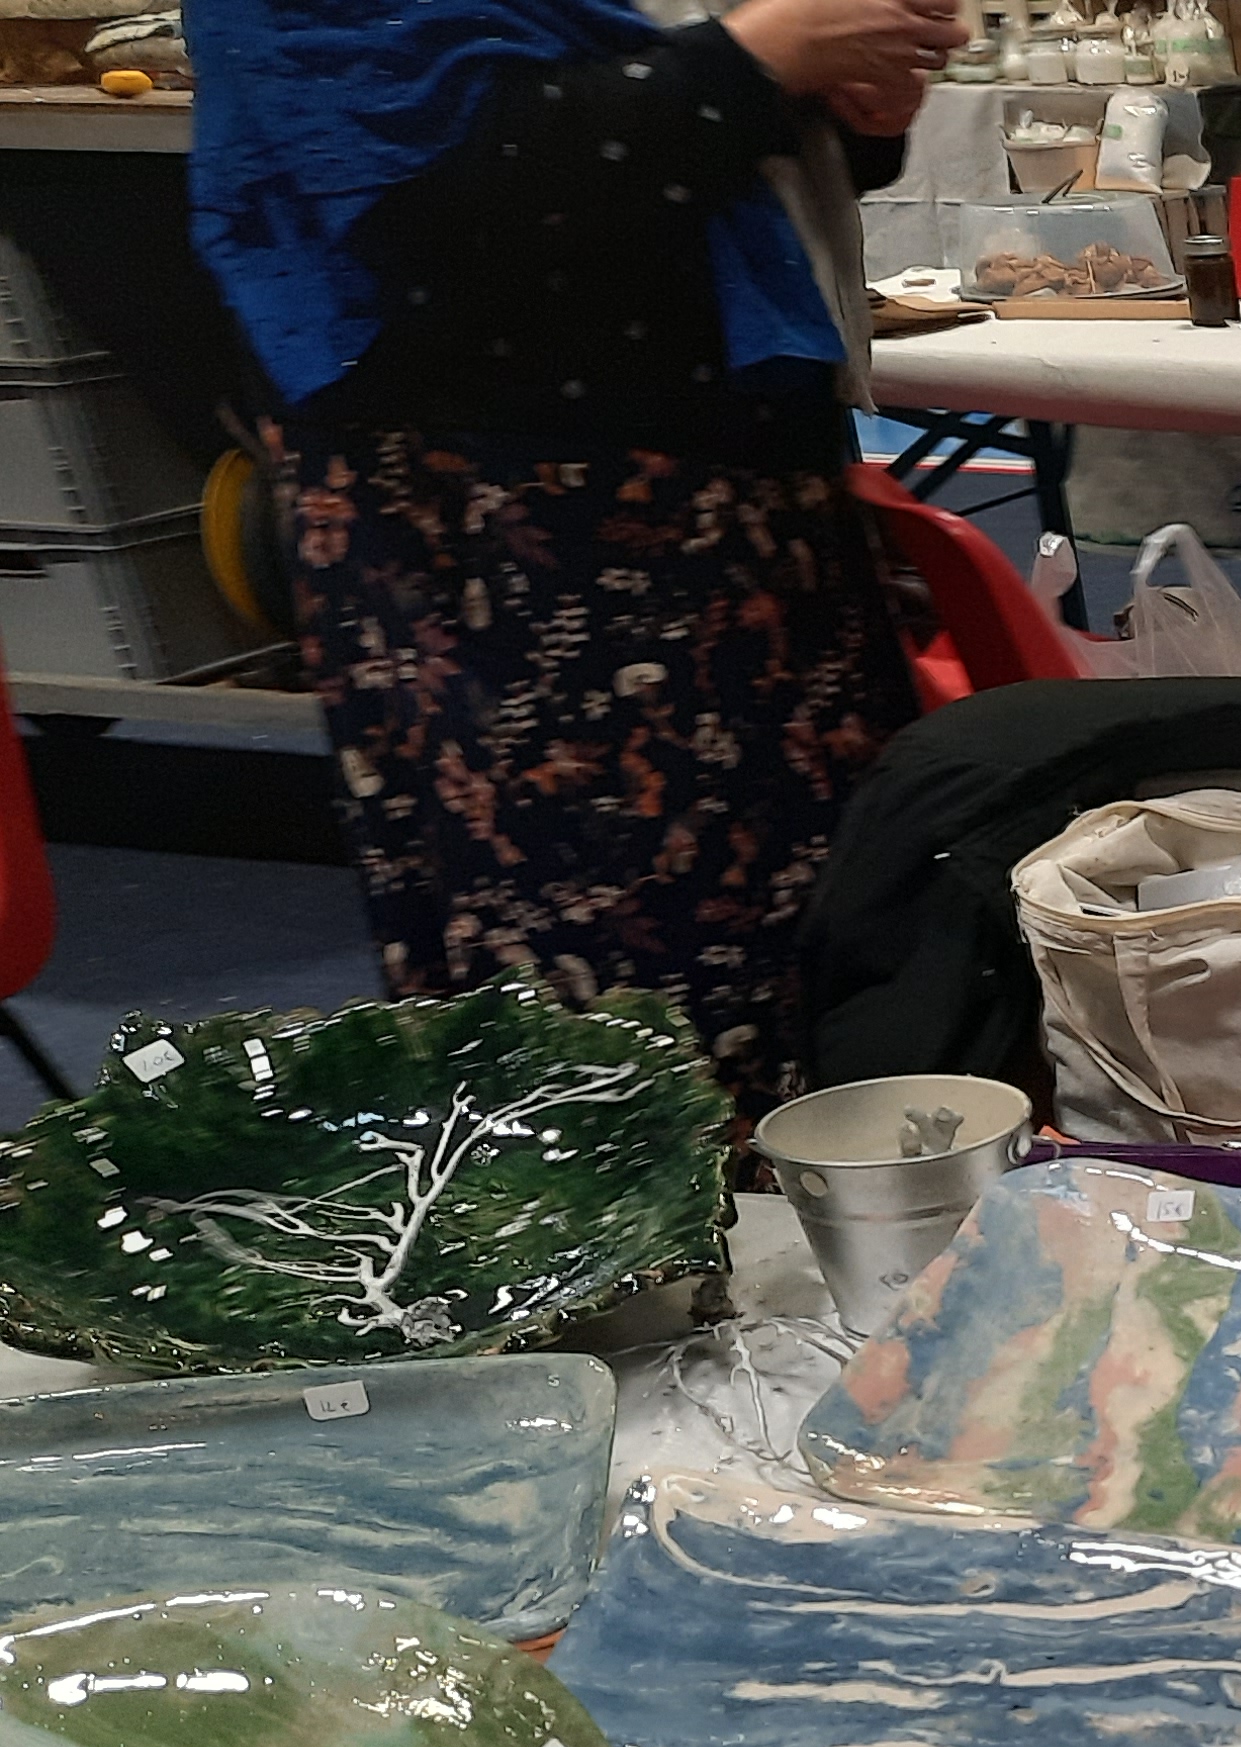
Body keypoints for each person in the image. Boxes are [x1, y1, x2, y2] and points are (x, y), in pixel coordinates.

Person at [186, 0, 959, 1123]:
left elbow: (654, 131)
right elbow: (451, 199)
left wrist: (832, 96)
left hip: (710, 506)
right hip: (520, 530)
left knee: (829, 930)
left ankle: (838, 1202)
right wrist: (759, 59)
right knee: (609, 998)